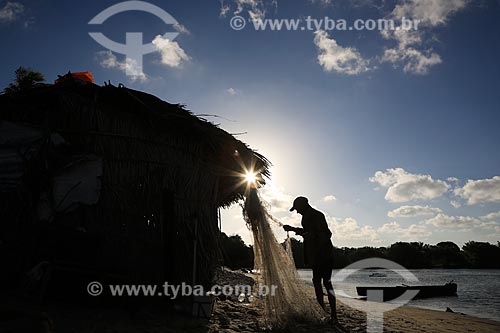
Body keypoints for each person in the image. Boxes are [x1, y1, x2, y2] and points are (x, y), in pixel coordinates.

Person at [283, 196, 337, 323]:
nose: (296, 211)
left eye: (297, 208)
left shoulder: (317, 215)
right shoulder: (306, 216)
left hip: (324, 255)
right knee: (316, 281)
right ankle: (322, 311)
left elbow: (326, 234)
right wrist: (293, 229)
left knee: (327, 283)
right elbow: (308, 232)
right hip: (315, 256)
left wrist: (306, 235)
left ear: (304, 205)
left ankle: (334, 315)